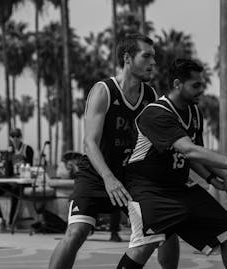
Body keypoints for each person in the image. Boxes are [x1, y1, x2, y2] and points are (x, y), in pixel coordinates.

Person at [118, 59, 227, 269]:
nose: (201, 90)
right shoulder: (156, 113)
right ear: (178, 84)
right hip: (148, 189)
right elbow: (189, 149)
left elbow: (196, 156)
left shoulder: (194, 113)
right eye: (195, 85)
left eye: (202, 84)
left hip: (179, 187)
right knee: (144, 245)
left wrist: (222, 179)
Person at [48, 34, 180, 269]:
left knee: (166, 228)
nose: (153, 63)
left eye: (154, 57)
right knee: (77, 231)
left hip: (132, 177)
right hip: (98, 173)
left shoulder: (150, 96)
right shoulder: (104, 90)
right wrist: (108, 178)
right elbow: (90, 142)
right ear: (128, 58)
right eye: (146, 56)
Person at [0, 128, 33, 227]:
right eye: (13, 136)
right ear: (10, 138)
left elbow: (30, 167)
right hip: (11, 180)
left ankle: (12, 222)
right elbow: (7, 170)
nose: (15, 139)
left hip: (23, 181)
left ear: (21, 137)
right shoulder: (9, 151)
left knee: (15, 192)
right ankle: (0, 220)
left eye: (17, 136)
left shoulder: (27, 149)